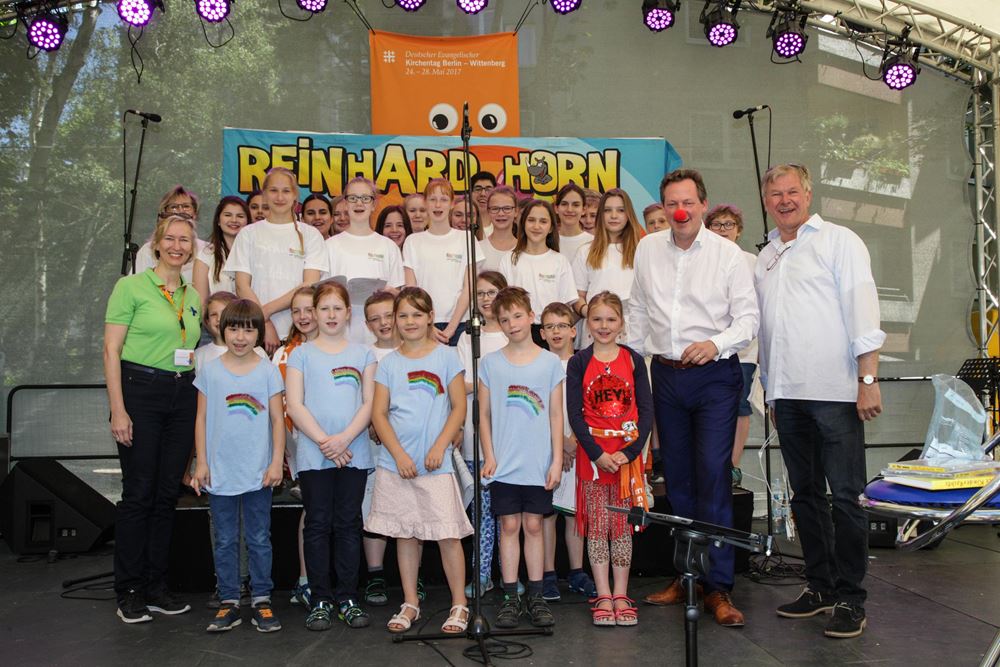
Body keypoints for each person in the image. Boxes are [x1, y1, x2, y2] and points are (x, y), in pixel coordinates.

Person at [756, 164, 884, 639]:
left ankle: (851, 598)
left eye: (792, 191)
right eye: (776, 193)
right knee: (805, 496)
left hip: (835, 392)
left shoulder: (840, 241)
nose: (784, 200)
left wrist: (867, 377)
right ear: (766, 199)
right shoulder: (766, 255)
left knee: (846, 497)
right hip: (787, 395)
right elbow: (769, 331)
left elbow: (863, 309)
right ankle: (821, 586)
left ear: (808, 194)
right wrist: (771, 387)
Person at [628, 168, 758, 627]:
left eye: (687, 202)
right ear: (663, 208)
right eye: (670, 203)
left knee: (712, 477)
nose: (679, 211)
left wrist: (716, 344)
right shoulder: (647, 248)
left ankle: (718, 587)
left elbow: (747, 320)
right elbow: (638, 308)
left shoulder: (729, 256)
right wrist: (630, 360)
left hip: (715, 377)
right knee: (677, 480)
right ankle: (687, 578)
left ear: (703, 204)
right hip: (665, 376)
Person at [104, 213, 202, 624]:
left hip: (183, 394)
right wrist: (119, 409)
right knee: (139, 494)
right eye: (171, 239)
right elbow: (111, 351)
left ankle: (156, 585)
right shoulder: (131, 286)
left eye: (186, 240)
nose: (178, 246)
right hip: (140, 392)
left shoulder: (193, 295)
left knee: (165, 495)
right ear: (157, 244)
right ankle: (129, 588)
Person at [367, 287, 472, 635]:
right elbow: (379, 414)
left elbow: (459, 406)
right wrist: (398, 454)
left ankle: (460, 603)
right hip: (397, 465)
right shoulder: (389, 364)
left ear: (430, 317)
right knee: (405, 534)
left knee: (447, 535)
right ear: (394, 320)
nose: (409, 321)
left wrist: (440, 446)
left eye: (417, 314)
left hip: (435, 464)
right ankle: (410, 601)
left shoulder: (446, 356)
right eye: (403, 315)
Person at [285, 281, 377, 631]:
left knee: (349, 524)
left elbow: (369, 403)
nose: (331, 315)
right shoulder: (301, 355)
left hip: (353, 450)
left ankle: (348, 597)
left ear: (348, 312)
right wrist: (326, 442)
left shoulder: (363, 354)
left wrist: (343, 440)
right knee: (318, 524)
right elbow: (295, 403)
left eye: (337, 308)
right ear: (313, 314)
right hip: (314, 452)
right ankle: (321, 597)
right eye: (324, 309)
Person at [191, 299, 285, 633]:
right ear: (220, 329)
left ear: (259, 333)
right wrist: (201, 463)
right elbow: (201, 418)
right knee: (226, 540)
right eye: (234, 328)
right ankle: (229, 601)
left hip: (258, 472)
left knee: (259, 537)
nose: (241, 337)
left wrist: (276, 462)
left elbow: (277, 419)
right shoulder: (210, 371)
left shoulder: (267, 370)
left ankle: (261, 598)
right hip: (220, 472)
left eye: (248, 329)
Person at [479, 286, 564, 629]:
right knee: (509, 525)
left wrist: (556, 460)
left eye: (518, 316)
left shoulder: (549, 363)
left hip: (537, 462)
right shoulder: (490, 363)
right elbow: (483, 414)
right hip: (504, 464)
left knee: (533, 525)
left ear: (531, 316)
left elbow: (556, 415)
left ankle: (537, 596)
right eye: (504, 319)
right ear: (497, 324)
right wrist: (489, 455)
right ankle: (510, 597)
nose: (512, 323)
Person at [567, 292, 653, 627]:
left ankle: (621, 593)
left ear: (621, 323)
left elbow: (646, 412)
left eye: (611, 319)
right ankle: (602, 593)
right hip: (594, 460)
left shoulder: (633, 359)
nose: (604, 326)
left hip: (625, 461)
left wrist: (628, 452)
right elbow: (575, 414)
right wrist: (597, 453)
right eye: (597, 319)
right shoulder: (579, 361)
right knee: (598, 528)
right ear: (588, 323)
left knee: (621, 530)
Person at [225, 167, 327, 355]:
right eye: (273, 190)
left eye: (286, 191)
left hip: (301, 331)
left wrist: (264, 314)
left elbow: (309, 285)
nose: (280, 197)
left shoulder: (311, 235)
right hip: (255, 334)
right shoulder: (248, 234)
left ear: (295, 195)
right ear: (264, 194)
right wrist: (263, 323)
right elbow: (242, 286)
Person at [538, 302, 596, 603]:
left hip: (578, 446)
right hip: (548, 447)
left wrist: (574, 439)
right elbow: (539, 408)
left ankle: (576, 572)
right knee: (547, 514)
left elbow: (587, 406)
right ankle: (547, 574)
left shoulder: (584, 363)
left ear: (574, 330)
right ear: (542, 333)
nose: (556, 331)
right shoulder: (539, 364)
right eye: (549, 326)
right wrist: (559, 441)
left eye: (562, 325)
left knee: (575, 513)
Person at [456, 271, 509, 597]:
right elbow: (460, 384)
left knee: (511, 517)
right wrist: (492, 383)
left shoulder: (512, 334)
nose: (487, 299)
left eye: (493, 292)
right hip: (477, 439)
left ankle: (511, 576)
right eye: (481, 294)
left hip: (511, 437)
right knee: (483, 515)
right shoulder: (467, 337)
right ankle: (482, 575)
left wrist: (484, 383)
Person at [271, 285, 318, 609]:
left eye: (309, 309)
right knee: (312, 511)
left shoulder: (344, 348)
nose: (303, 317)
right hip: (302, 444)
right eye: (296, 311)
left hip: (342, 442)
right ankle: (305, 580)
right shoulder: (284, 353)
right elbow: (282, 408)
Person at [704, 204, 758, 486]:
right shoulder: (701, 259)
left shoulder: (752, 261)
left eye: (728, 225)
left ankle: (732, 465)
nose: (722, 230)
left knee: (740, 406)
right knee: (710, 408)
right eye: (716, 225)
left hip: (743, 351)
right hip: (707, 350)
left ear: (739, 231)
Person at [324, 177, 405, 345]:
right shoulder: (329, 246)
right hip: (340, 331)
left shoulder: (388, 247)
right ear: (345, 204)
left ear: (374, 204)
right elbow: (322, 294)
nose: (358, 203)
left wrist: (388, 292)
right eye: (353, 198)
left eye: (365, 198)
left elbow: (397, 294)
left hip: (380, 333)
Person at [403, 178, 482, 346]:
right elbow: (411, 289)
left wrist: (452, 327)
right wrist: (428, 325)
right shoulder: (413, 241)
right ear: (425, 202)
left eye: (444, 199)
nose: (438, 205)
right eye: (432, 199)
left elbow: (469, 287)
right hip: (423, 323)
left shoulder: (467, 238)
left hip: (461, 323)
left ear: (452, 203)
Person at [360, 291, 399, 608]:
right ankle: (376, 573)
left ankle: (413, 577)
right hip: (376, 447)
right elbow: (363, 399)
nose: (384, 323)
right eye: (375, 318)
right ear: (366, 323)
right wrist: (373, 420)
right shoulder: (365, 355)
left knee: (413, 508)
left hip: (417, 445)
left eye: (389, 315)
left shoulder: (419, 350)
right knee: (374, 509)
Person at [498, 200, 578, 347]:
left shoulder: (559, 261)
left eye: (543, 221)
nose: (536, 226)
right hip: (517, 332)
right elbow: (502, 303)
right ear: (523, 224)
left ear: (551, 228)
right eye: (531, 220)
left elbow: (566, 306)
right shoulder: (509, 260)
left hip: (551, 334)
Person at [572, 188, 645, 346]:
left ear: (629, 215)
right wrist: (591, 314)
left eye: (620, 210)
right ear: (601, 215)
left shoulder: (642, 250)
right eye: (607, 210)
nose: (613, 216)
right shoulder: (585, 251)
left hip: (633, 329)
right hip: (595, 330)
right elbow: (578, 295)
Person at [134, 186, 205, 281]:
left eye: (186, 206)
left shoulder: (207, 250)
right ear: (165, 212)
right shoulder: (147, 250)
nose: (180, 210)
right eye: (174, 207)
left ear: (195, 213)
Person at [194, 197, 251, 308]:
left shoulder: (255, 253)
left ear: (248, 222)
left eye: (240, 216)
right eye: (227, 215)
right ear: (218, 221)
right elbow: (201, 303)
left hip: (249, 321)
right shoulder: (206, 255)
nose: (234, 220)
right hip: (216, 321)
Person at [480, 186, 518, 272]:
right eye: (495, 209)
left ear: (516, 212)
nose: (501, 213)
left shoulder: (525, 249)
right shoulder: (478, 248)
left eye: (507, 208)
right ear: (488, 211)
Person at [555, 183, 592, 265]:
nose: (569, 209)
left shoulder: (593, 242)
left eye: (576, 205)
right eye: (564, 204)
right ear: (556, 208)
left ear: (583, 209)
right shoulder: (547, 241)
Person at [470, 171, 497, 238]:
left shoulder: (502, 223)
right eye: (478, 189)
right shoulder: (462, 223)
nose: (483, 194)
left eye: (488, 189)